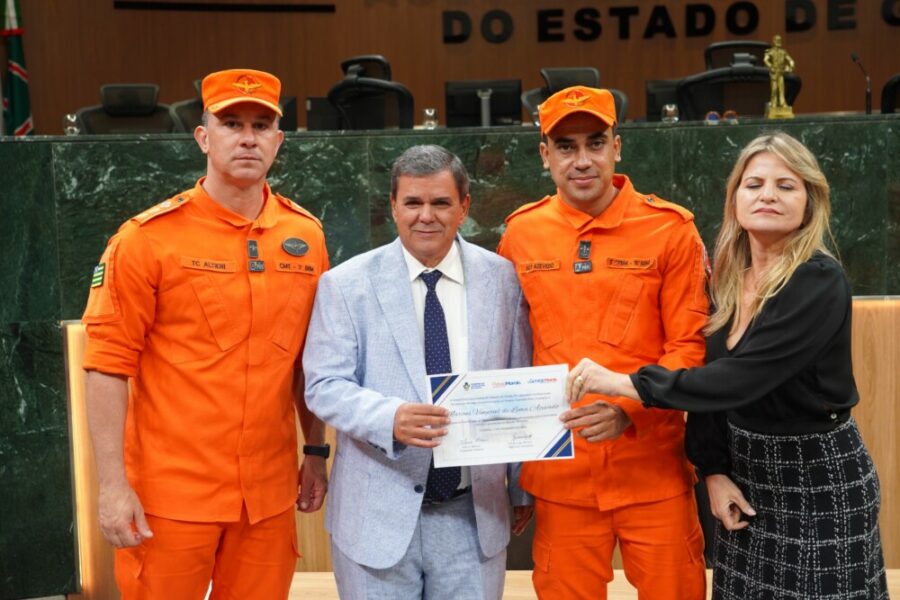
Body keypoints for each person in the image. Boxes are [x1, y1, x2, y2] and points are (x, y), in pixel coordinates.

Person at [568, 132, 888, 599]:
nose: (768, 196)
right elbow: (709, 385)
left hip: (819, 480)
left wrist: (624, 384)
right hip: (745, 477)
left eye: (786, 185)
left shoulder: (818, 280)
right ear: (735, 197)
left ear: (810, 202)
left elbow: (736, 381)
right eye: (754, 184)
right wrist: (714, 471)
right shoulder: (726, 279)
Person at [81, 68, 329, 599]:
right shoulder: (146, 239)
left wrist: (316, 452)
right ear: (202, 136)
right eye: (231, 122)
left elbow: (310, 363)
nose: (247, 137)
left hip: (265, 497)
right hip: (170, 498)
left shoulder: (305, 236)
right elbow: (106, 365)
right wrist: (111, 487)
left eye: (262, 125)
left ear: (279, 141)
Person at [497, 86, 708, 599]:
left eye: (595, 142)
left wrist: (626, 409)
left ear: (618, 146)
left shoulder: (671, 230)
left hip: (652, 469)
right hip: (561, 474)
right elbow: (508, 353)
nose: (582, 160)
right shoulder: (520, 234)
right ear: (545, 155)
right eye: (566, 146)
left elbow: (691, 348)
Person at [303, 144, 533, 600]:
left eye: (440, 202)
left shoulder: (504, 279)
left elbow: (519, 378)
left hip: (473, 515)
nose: (425, 216)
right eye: (412, 202)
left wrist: (522, 486)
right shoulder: (345, 284)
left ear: (464, 206)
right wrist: (390, 418)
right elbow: (324, 385)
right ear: (393, 206)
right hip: (376, 517)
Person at [764, 34, 795, 109]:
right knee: (774, 90)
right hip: (774, 73)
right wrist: (770, 67)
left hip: (781, 73)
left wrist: (791, 66)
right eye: (777, 40)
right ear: (774, 41)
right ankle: (774, 104)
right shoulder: (771, 51)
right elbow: (765, 60)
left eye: (780, 40)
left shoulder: (783, 52)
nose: (779, 42)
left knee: (781, 89)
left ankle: (782, 104)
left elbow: (790, 60)